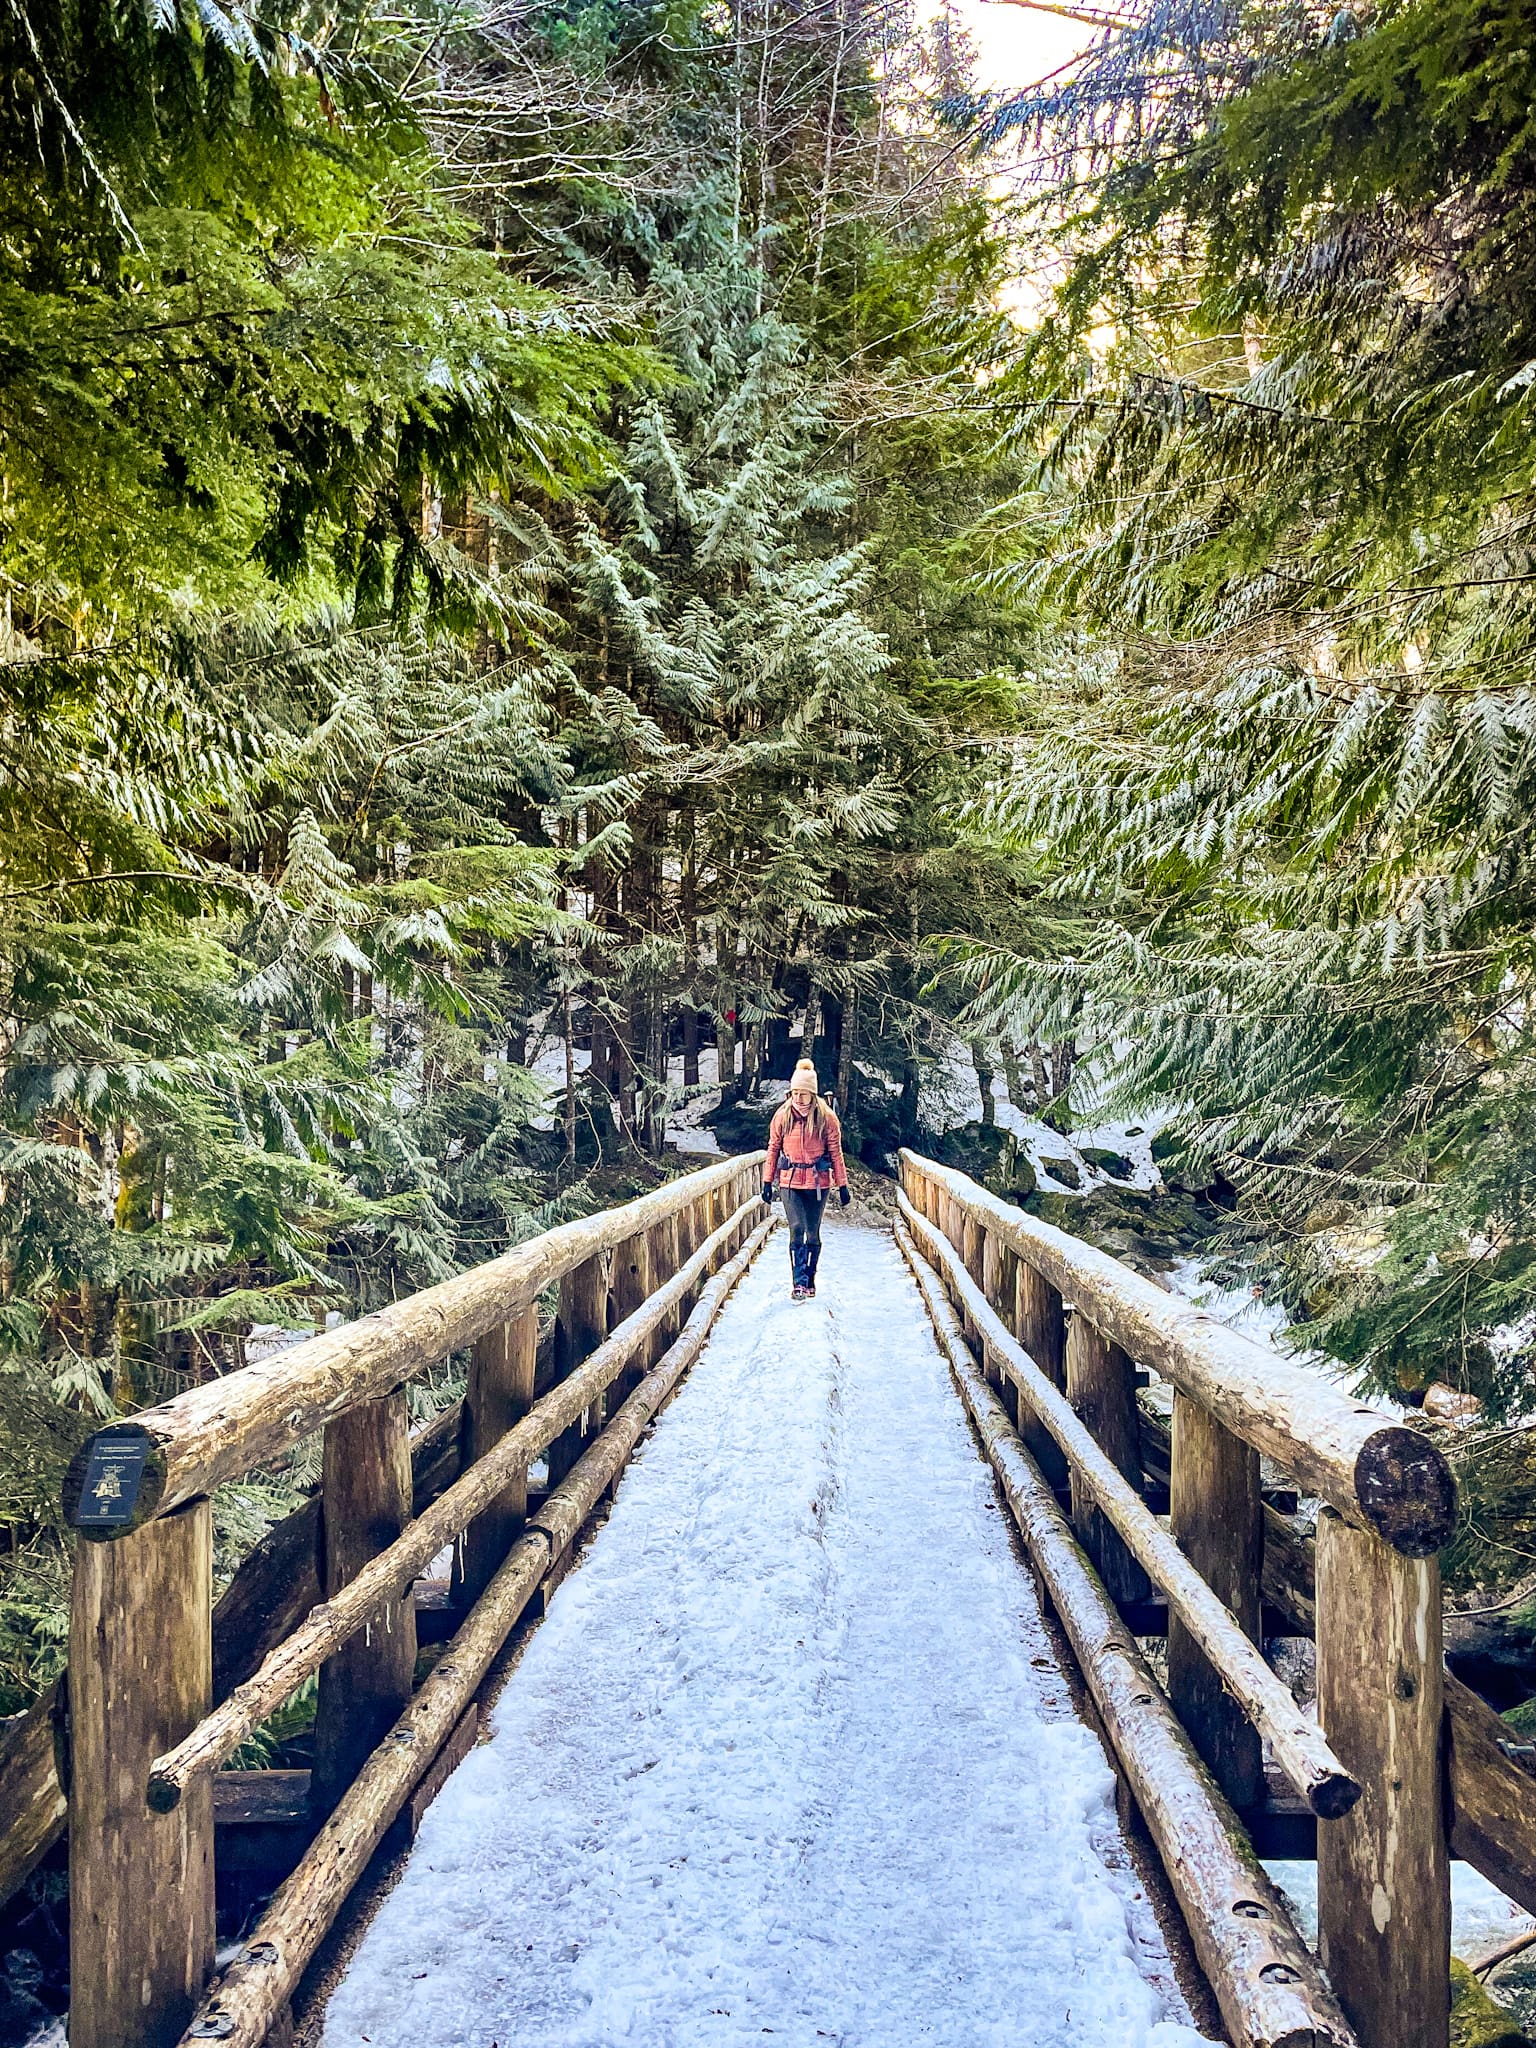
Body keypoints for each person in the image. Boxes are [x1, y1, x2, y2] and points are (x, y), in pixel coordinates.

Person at [762, 1058, 851, 1299]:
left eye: (804, 1094)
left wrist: (842, 1184)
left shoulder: (827, 1118)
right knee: (797, 1228)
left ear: (813, 1094)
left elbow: (835, 1152)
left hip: (817, 1182)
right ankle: (798, 1282)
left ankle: (810, 1278)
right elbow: (773, 1148)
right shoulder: (782, 1116)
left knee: (813, 1232)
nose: (799, 1099)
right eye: (795, 1093)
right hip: (790, 1181)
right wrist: (767, 1181)